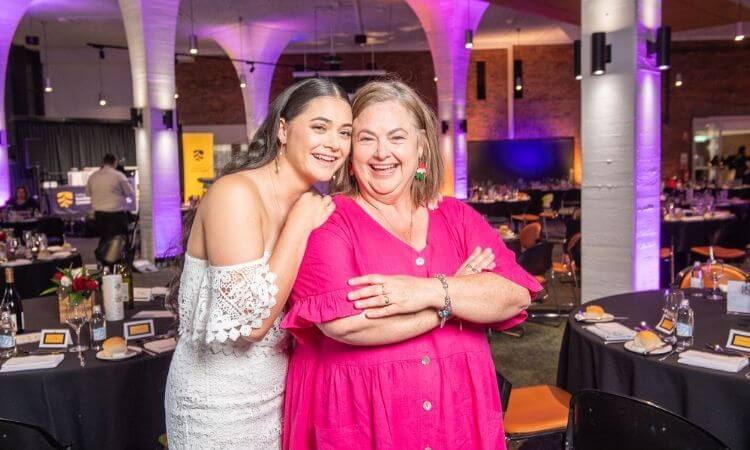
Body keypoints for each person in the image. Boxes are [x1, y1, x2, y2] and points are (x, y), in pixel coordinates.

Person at [282, 80, 542, 450]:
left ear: (421, 147)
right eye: (366, 138)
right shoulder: (328, 220)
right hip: (361, 421)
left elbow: (516, 295)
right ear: (350, 151)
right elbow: (345, 325)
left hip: (456, 419)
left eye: (397, 137)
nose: (381, 152)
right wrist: (453, 303)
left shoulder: (456, 216)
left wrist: (428, 290)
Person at [164, 78, 353, 449]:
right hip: (216, 407)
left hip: (284, 397)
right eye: (319, 127)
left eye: (344, 132)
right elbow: (249, 325)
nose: (334, 143)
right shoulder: (235, 193)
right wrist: (297, 227)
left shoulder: (314, 205)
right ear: (283, 129)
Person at [85, 153, 135, 245]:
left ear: (103, 162)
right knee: (121, 242)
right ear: (114, 163)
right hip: (116, 216)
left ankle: (104, 258)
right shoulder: (119, 176)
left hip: (99, 215)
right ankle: (119, 258)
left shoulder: (93, 176)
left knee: (105, 240)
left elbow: (88, 193)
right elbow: (129, 193)